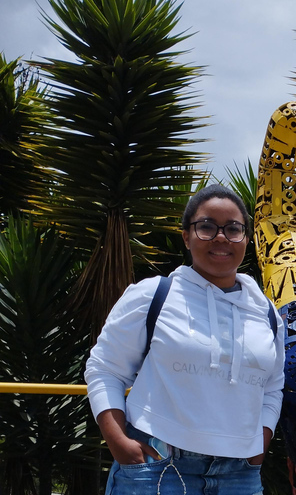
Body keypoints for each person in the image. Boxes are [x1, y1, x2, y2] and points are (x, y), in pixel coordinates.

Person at [85, 184, 284, 495]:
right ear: (186, 237)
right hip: (155, 467)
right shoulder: (153, 295)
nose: (221, 237)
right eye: (206, 227)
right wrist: (119, 443)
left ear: (246, 238)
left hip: (239, 476)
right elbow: (104, 369)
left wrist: (261, 443)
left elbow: (272, 386)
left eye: (233, 229)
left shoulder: (267, 313)